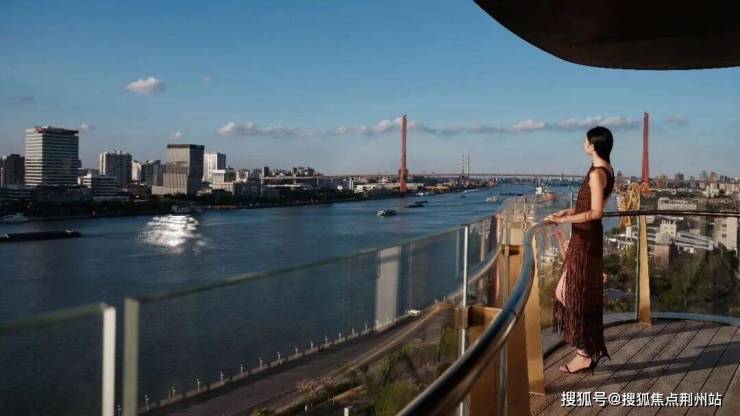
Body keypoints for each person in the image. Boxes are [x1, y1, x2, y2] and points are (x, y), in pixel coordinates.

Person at [544, 126, 615, 374]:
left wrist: (564, 220)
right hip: (585, 238)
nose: (583, 144)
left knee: (570, 294)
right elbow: (589, 205)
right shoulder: (607, 170)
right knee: (572, 293)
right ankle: (587, 347)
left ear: (593, 146)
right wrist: (567, 211)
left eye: (586, 141)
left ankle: (584, 353)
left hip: (585, 241)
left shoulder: (596, 174)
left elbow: (596, 212)